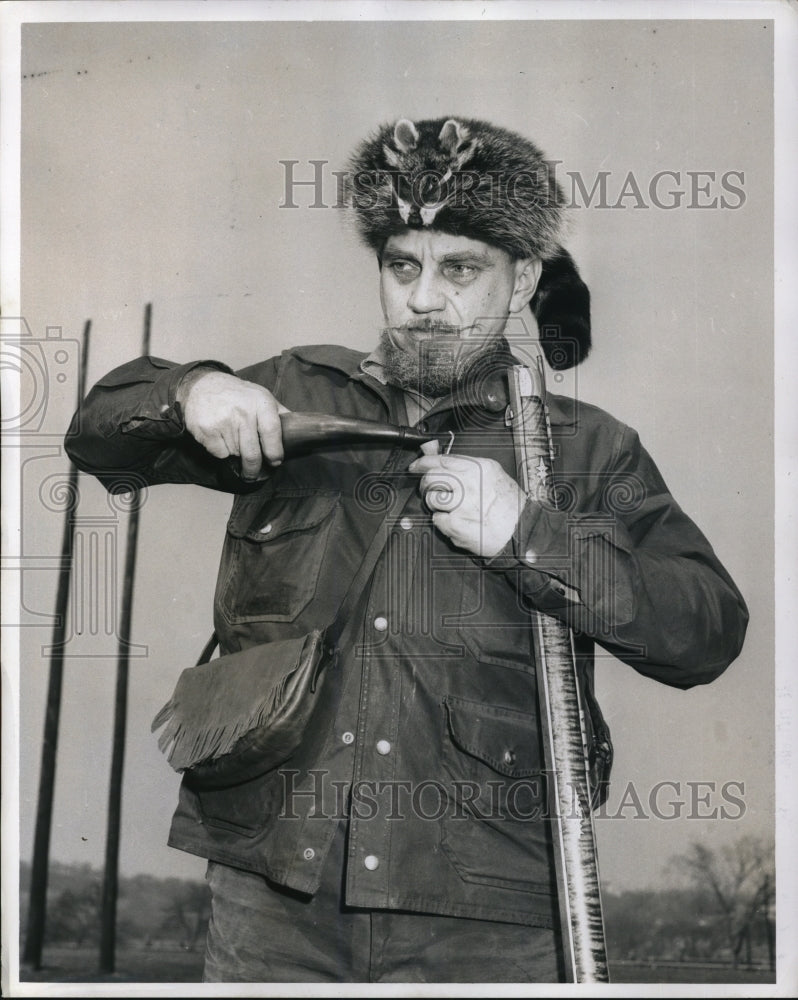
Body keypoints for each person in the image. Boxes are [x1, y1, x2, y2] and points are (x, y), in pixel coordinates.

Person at [65, 116, 748, 983]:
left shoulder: (586, 448)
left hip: (488, 910)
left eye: (461, 268)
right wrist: (188, 391)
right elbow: (96, 433)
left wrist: (525, 534)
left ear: (523, 277)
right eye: (403, 266)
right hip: (273, 895)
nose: (425, 301)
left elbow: (709, 632)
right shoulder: (292, 391)